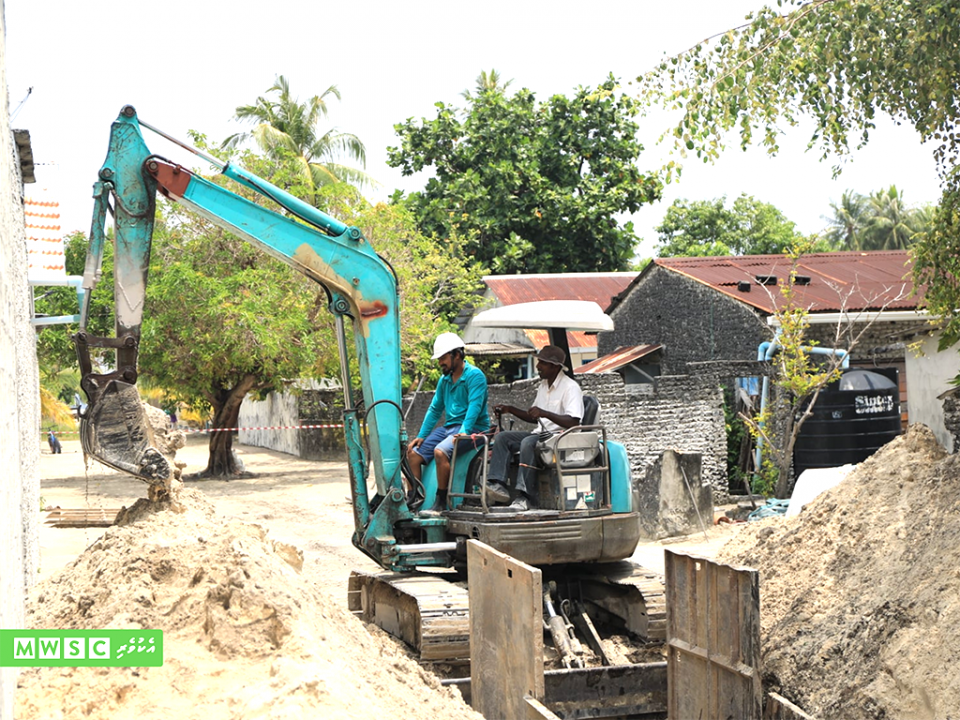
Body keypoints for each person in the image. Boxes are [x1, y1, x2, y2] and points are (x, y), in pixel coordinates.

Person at [486, 345, 584, 511]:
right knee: (503, 438)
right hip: (541, 435)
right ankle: (497, 485)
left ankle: (525, 496)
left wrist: (545, 413)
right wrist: (510, 409)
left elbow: (574, 422)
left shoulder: (570, 387)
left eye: (542, 363)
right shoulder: (544, 386)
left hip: (559, 438)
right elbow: (534, 416)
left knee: (528, 443)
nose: (538, 366)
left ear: (554, 366)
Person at [408, 332, 490, 514]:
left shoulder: (475, 376)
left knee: (440, 452)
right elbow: (434, 409)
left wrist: (465, 430)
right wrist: (421, 435)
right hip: (449, 428)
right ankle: (414, 499)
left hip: (475, 429)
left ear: (457, 355)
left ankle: (440, 501)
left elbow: (474, 407)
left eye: (443, 358)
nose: (440, 363)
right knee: (412, 454)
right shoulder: (444, 380)